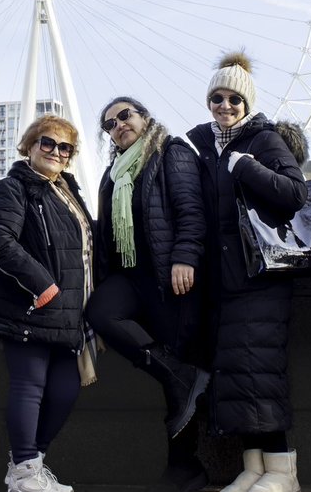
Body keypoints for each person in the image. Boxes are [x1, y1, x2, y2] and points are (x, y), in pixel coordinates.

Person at [185, 53, 308, 492]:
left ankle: (282, 470)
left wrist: (246, 167)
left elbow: (295, 193)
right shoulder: (204, 145)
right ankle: (255, 466)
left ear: (247, 101)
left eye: (234, 98)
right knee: (239, 374)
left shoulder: (264, 141)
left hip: (261, 278)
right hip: (224, 281)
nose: (224, 105)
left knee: (260, 371)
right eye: (217, 97)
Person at [86, 97, 209, 492]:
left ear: (144, 118)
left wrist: (185, 257)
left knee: (177, 367)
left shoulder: (170, 152)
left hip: (168, 276)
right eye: (109, 125)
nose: (119, 125)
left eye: (125, 116)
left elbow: (191, 209)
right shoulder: (112, 174)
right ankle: (181, 375)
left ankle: (184, 469)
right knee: (101, 312)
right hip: (128, 277)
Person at [0, 114, 98, 492]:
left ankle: (29, 466)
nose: (56, 152)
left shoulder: (68, 191)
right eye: (47, 143)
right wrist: (42, 285)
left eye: (65, 148)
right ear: (29, 146)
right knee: (29, 387)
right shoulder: (13, 187)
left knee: (65, 390)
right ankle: (26, 471)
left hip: (69, 314)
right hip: (29, 306)